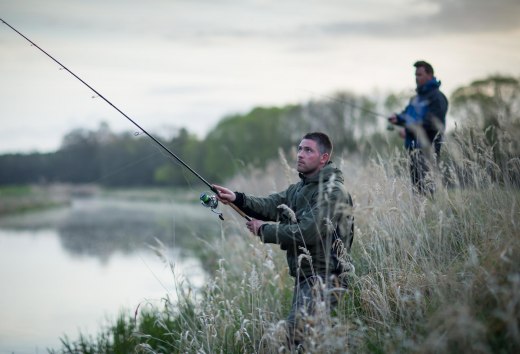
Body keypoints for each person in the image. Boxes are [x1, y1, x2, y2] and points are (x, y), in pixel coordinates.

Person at [213, 132, 354, 349]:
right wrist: (237, 198)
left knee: (295, 337)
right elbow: (272, 205)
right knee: (307, 341)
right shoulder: (300, 188)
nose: (300, 154)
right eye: (299, 149)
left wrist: (265, 230)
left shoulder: (332, 191)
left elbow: (308, 231)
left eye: (308, 150)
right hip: (306, 277)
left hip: (326, 278)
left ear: (324, 158)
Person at [388, 60, 449, 195]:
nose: (416, 78)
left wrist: (408, 128)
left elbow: (432, 123)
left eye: (420, 74)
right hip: (412, 149)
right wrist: (397, 118)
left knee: (427, 188)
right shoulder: (415, 99)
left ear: (430, 75)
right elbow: (407, 115)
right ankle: (418, 215)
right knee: (416, 190)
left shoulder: (437, 97)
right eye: (415, 75)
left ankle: (431, 214)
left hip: (428, 149)